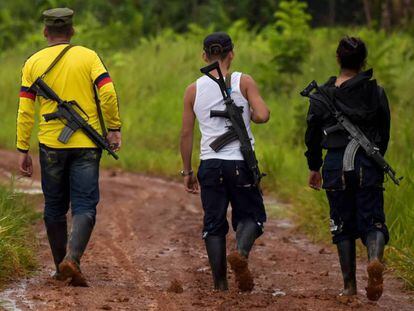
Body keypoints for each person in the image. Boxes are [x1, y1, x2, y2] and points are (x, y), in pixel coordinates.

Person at [16, 8, 122, 286]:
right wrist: (113, 127)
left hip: (51, 146)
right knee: (85, 205)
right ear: (72, 31)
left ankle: (61, 265)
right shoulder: (89, 56)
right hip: (87, 144)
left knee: (54, 207)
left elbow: (25, 110)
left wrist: (22, 148)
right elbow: (108, 92)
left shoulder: (33, 63)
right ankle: (72, 259)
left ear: (45, 32)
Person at [180, 32, 270, 291]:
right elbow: (262, 115)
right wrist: (252, 113)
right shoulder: (244, 81)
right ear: (232, 53)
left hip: (210, 164)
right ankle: (240, 252)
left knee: (213, 223)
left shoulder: (193, 89)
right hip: (241, 164)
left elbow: (186, 133)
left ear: (204, 56)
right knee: (252, 216)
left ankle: (220, 284)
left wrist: (187, 171)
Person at [304, 36, 390, 301]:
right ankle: (374, 258)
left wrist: (314, 166)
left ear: (338, 59)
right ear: (363, 61)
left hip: (334, 165)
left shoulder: (321, 96)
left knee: (341, 224)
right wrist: (375, 160)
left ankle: (349, 286)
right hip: (367, 164)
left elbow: (312, 136)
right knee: (373, 220)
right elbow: (384, 134)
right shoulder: (376, 92)